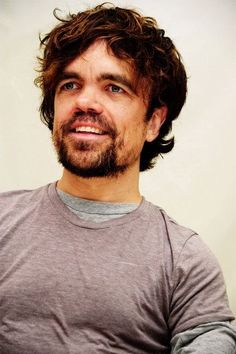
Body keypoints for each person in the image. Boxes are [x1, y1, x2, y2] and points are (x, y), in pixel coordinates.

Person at [0, 3, 235, 353]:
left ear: (154, 121)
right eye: (70, 84)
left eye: (114, 88)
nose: (85, 101)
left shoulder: (184, 260)